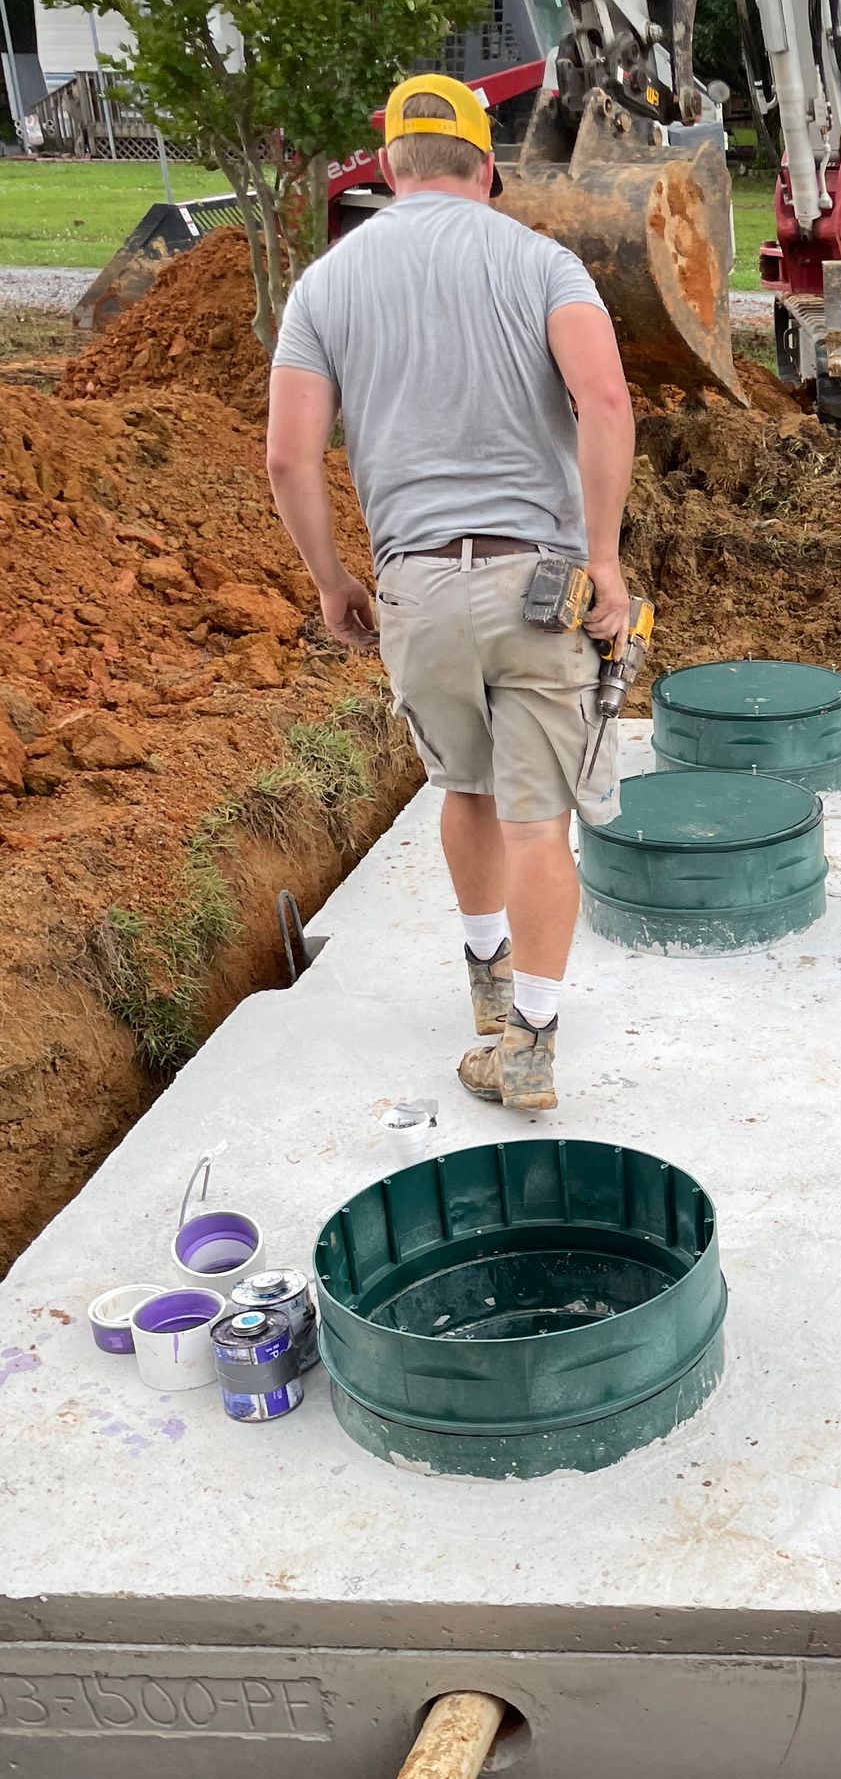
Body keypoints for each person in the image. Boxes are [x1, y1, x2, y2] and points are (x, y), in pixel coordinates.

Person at [265, 71, 637, 1112]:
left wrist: (335, 579)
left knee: (464, 790)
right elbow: (605, 400)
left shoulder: (326, 287)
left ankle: (484, 976)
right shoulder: (545, 263)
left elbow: (290, 460)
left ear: (389, 166)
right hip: (542, 583)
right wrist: (603, 560)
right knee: (538, 822)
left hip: (418, 588)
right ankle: (530, 1042)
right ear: (488, 167)